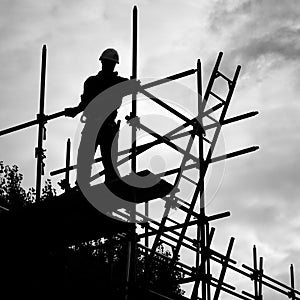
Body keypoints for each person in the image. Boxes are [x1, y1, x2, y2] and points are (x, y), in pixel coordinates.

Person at [65, 48, 138, 186]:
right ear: (102, 63)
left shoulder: (117, 83)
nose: (108, 66)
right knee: (85, 161)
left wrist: (133, 84)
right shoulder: (93, 82)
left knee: (109, 164)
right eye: (107, 63)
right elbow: (84, 104)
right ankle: (83, 186)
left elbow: (134, 88)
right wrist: (74, 111)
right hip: (93, 126)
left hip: (106, 127)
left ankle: (109, 185)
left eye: (110, 64)